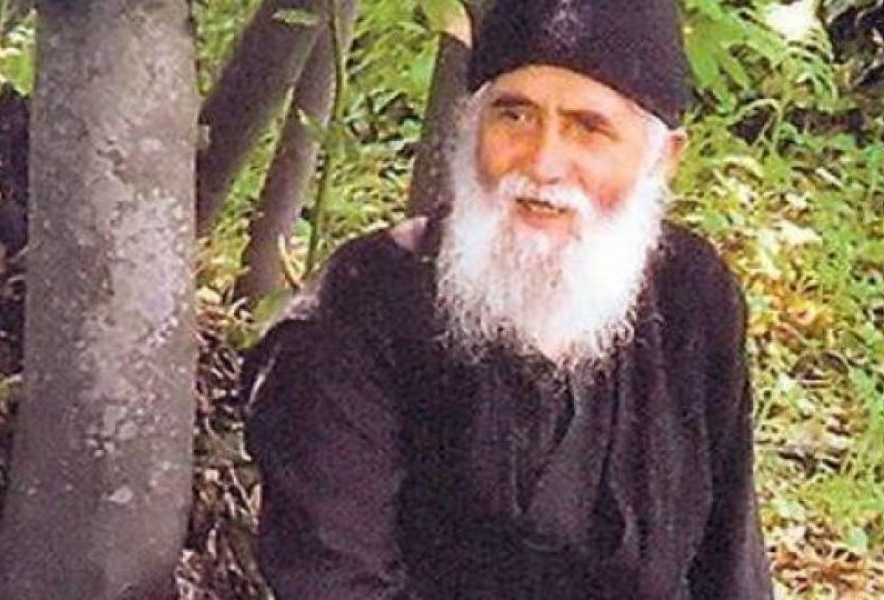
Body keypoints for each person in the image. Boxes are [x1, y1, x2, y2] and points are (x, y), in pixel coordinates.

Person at [242, 0, 772, 597]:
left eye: (588, 127)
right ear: (472, 127)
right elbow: (333, 580)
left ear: (663, 157)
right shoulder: (364, 303)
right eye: (514, 116)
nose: (543, 163)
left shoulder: (693, 295)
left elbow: (730, 567)